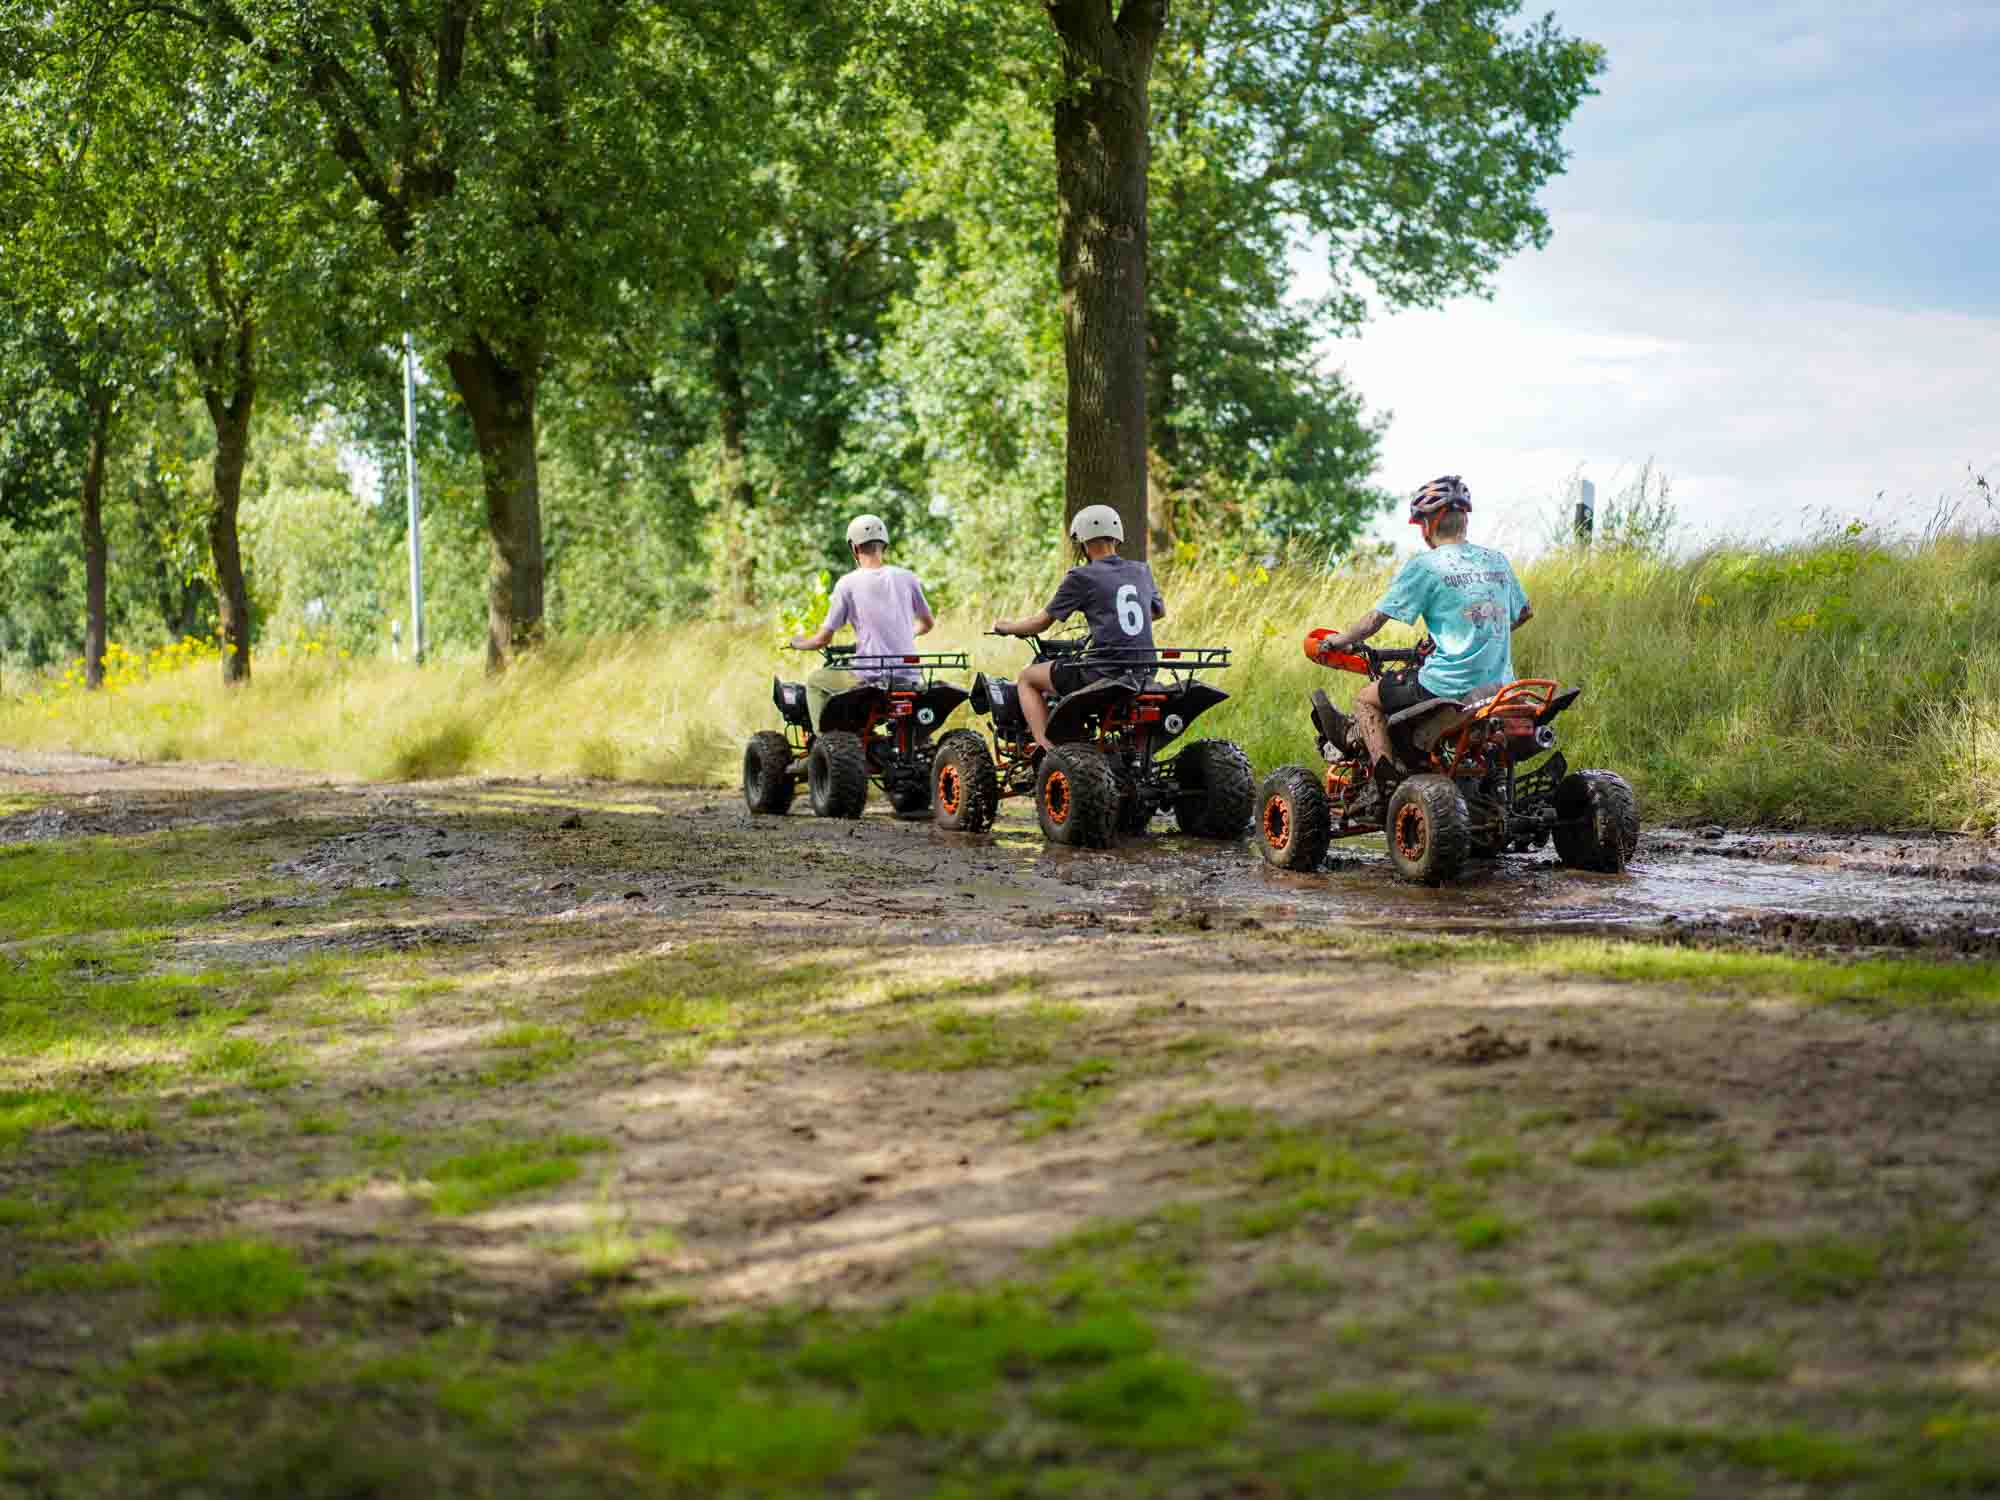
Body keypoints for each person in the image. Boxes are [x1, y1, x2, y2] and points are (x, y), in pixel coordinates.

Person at [1311, 475, 1533, 797]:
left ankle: (1386, 782)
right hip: (1500, 685)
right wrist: (1480, 633)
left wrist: (1337, 641)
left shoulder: (1426, 566)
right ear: (1464, 520)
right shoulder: (1496, 560)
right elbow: (1523, 613)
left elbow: (1374, 620)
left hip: (1448, 685)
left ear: (1428, 525)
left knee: (1366, 699)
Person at [991, 504, 1164, 754]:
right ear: (1116, 538)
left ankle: (1045, 748)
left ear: (1081, 541)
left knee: (1028, 678)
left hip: (1103, 672)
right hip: (1145, 670)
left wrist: (1006, 627)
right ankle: (1127, 750)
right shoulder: (1141, 570)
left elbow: (1041, 623)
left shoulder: (1081, 576)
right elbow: (1158, 612)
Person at [788, 513, 935, 731]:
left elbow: (822, 640)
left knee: (815, 682)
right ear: (884, 546)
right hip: (910, 676)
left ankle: (826, 749)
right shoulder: (907, 577)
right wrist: (905, 633)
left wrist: (798, 643)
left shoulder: (847, 583)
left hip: (870, 676)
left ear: (854, 548)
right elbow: (927, 623)